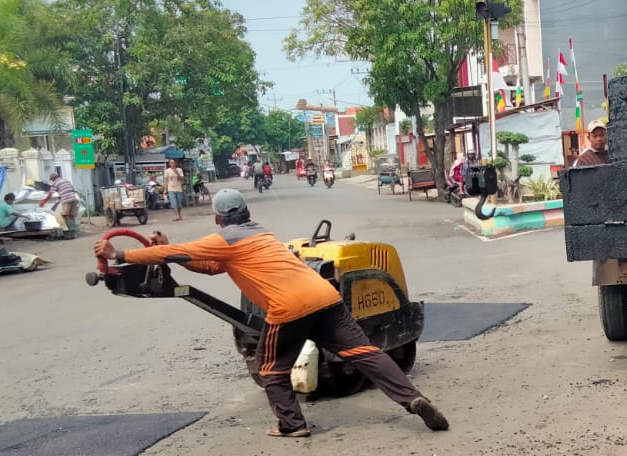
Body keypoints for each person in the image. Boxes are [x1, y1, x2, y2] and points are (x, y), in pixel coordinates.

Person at [95, 188, 450, 439]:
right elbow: (209, 267)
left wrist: (118, 255)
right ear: (245, 212)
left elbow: (187, 252)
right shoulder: (261, 236)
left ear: (219, 217)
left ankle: (292, 425)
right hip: (325, 298)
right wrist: (167, 251)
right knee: (366, 354)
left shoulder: (225, 239)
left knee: (272, 368)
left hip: (289, 308)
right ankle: (413, 398)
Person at [40, 169, 81, 238]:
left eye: (52, 179)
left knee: (65, 215)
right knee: (72, 215)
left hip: (66, 200)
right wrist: (60, 196)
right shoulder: (67, 181)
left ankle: (68, 230)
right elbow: (72, 190)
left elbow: (50, 194)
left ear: (53, 178)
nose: (52, 181)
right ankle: (74, 231)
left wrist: (44, 202)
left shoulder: (55, 183)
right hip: (74, 199)